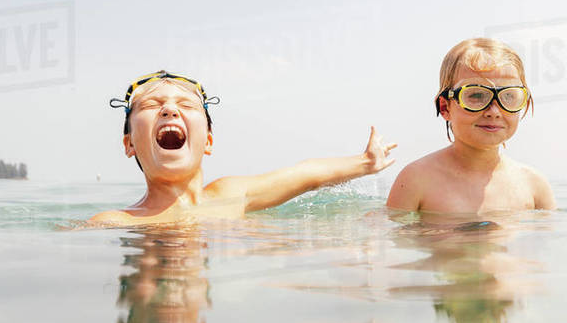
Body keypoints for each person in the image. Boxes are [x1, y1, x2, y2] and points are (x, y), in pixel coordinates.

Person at [88, 70, 396, 226]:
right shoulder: (116, 222)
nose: (169, 110)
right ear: (129, 143)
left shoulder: (229, 195)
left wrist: (365, 162)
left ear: (208, 141)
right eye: (152, 105)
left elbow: (305, 175)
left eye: (186, 105)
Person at [386, 37, 555, 214]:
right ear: (445, 107)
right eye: (476, 96)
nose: (494, 111)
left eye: (509, 96)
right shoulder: (417, 180)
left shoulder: (534, 185)